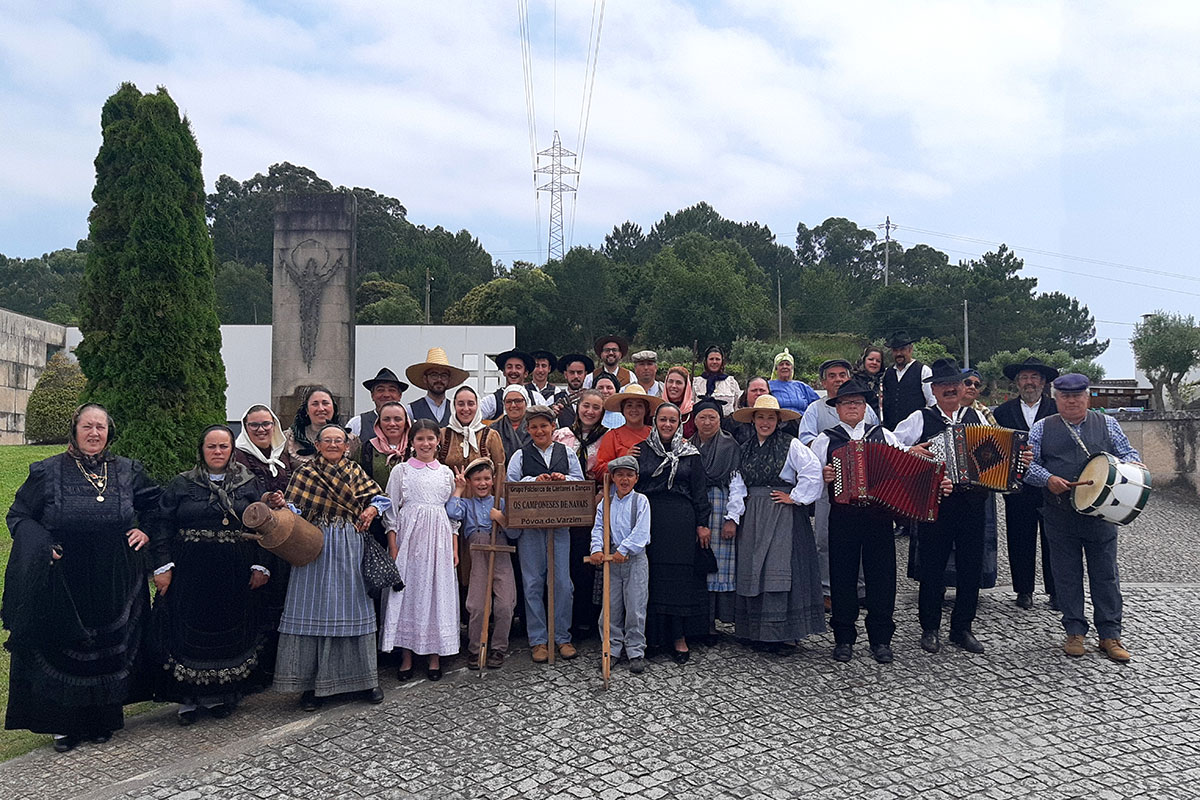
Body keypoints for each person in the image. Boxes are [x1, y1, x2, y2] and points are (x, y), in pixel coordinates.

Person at [4, 404, 161, 753]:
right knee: (66, 648)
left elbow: (156, 505)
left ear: (109, 432)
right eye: (87, 426)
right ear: (75, 430)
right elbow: (18, 516)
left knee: (107, 647)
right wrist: (44, 545)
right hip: (63, 576)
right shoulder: (46, 471)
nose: (94, 433)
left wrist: (145, 531)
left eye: (100, 427)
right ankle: (64, 726)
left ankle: (103, 720)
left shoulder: (126, 470)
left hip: (114, 575)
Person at [153, 425, 270, 725]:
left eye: (223, 446)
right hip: (191, 570)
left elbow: (262, 525)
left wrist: (260, 564)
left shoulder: (248, 482)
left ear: (232, 449)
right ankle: (188, 700)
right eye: (211, 447)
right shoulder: (181, 484)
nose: (217, 452)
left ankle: (223, 695)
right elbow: (162, 525)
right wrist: (163, 566)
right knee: (190, 630)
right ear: (201, 450)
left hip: (234, 568)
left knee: (227, 629)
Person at [1025, 373, 1142, 662]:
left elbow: (1127, 453)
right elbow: (1028, 467)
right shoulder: (1041, 428)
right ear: (1056, 398)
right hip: (1059, 512)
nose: (1072, 400)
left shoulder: (1108, 424)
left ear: (1087, 397)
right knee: (1066, 574)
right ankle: (1074, 630)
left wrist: (1134, 465)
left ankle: (1110, 635)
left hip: (1101, 513)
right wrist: (1048, 478)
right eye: (1065, 396)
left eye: (1078, 395)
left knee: (1105, 575)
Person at [274, 424, 389, 711]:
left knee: (353, 607)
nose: (334, 445)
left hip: (350, 543)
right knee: (313, 608)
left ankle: (364, 680)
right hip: (314, 543)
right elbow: (293, 509)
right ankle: (311, 685)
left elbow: (378, 498)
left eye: (339, 440)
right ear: (318, 444)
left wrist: (372, 509)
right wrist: (285, 507)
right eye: (328, 440)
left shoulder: (354, 472)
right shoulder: (306, 473)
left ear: (347, 446)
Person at [893, 358, 990, 654]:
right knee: (932, 567)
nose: (949, 389)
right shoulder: (920, 418)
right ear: (933, 390)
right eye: (942, 385)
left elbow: (993, 454)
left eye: (954, 384)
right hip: (935, 503)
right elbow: (890, 446)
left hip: (973, 503)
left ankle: (962, 627)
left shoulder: (978, 419)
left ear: (963, 388)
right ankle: (930, 628)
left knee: (970, 567)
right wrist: (911, 452)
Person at [811, 381, 911, 664]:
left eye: (857, 402)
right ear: (838, 409)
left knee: (882, 578)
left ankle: (881, 639)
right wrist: (825, 476)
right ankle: (843, 638)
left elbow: (902, 471)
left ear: (865, 407)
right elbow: (810, 481)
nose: (852, 407)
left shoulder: (885, 436)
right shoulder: (825, 440)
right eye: (846, 403)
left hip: (879, 518)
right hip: (843, 517)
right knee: (842, 577)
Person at [723, 395, 826, 650]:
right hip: (752, 514)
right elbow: (737, 484)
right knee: (752, 568)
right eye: (761, 417)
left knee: (780, 570)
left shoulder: (790, 445)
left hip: (782, 513)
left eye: (770, 417)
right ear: (753, 420)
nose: (765, 422)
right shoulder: (744, 447)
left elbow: (812, 470)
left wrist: (795, 497)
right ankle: (754, 630)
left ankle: (783, 633)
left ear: (778, 421)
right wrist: (733, 517)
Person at [380, 419, 459, 681]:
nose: (425, 444)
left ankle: (434, 656)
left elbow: (451, 515)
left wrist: (454, 547)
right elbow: (390, 509)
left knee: (436, 592)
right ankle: (406, 656)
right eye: (420, 439)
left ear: (438, 441)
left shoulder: (446, 473)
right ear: (411, 443)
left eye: (430, 439)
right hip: (409, 539)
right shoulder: (401, 471)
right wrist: (393, 545)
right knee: (409, 593)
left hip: (439, 541)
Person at [798, 359, 881, 607]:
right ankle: (827, 590)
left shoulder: (868, 412)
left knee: (865, 539)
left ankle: (862, 588)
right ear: (824, 382)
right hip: (829, 485)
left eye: (842, 375)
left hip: (866, 487)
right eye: (831, 376)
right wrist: (831, 459)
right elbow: (805, 440)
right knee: (824, 538)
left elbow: (879, 440)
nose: (837, 379)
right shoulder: (814, 409)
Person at [506, 406, 585, 662]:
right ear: (528, 430)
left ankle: (562, 636)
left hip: (560, 525)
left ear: (553, 427)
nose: (540, 431)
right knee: (532, 583)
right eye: (535, 427)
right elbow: (510, 486)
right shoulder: (520, 455)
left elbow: (580, 482)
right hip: (530, 527)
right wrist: (533, 481)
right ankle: (538, 639)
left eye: (544, 426)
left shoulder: (568, 453)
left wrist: (564, 479)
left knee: (562, 582)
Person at [637, 403, 710, 664]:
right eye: (663, 420)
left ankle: (679, 636)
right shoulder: (642, 451)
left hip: (681, 519)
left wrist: (703, 523)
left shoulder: (691, 453)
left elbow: (700, 491)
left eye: (672, 420)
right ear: (655, 422)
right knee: (653, 576)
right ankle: (654, 637)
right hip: (651, 518)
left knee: (679, 578)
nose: (667, 425)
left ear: (679, 424)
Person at [231, 404, 293, 688]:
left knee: (280, 601)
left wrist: (284, 500)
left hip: (282, 538)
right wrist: (265, 498)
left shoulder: (282, 455)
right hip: (252, 541)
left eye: (266, 424)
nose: (261, 430)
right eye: (254, 425)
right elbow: (240, 496)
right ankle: (253, 671)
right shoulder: (238, 457)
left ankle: (275, 666)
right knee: (256, 603)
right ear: (245, 427)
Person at [992, 356, 1059, 610]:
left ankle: (1056, 591)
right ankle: (1024, 590)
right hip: (1017, 487)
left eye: (1033, 377)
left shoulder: (1056, 409)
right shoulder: (1002, 412)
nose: (1029, 382)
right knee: (1019, 539)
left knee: (1054, 540)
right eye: (1023, 378)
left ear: (1042, 382)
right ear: (1017, 383)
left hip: (1051, 485)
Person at [447, 457, 514, 670]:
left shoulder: (501, 503)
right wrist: (458, 489)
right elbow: (452, 512)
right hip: (477, 552)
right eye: (477, 479)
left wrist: (502, 518)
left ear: (493, 480)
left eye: (486, 478)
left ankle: (498, 648)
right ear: (470, 481)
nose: (483, 483)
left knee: (505, 603)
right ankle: (476, 648)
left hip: (501, 550)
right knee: (476, 604)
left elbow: (515, 532)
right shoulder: (467, 504)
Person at [553, 388, 610, 636]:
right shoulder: (561, 435)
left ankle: (586, 619)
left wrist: (599, 496)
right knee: (564, 563)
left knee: (588, 564)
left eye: (596, 408)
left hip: (594, 507)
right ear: (578, 407)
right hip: (563, 507)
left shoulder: (606, 438)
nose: (590, 411)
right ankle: (562, 620)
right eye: (586, 405)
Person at [589, 455, 652, 674]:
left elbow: (642, 531)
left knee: (635, 607)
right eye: (620, 475)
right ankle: (611, 649)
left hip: (634, 560)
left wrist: (624, 549)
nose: (624, 479)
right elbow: (598, 527)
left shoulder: (641, 501)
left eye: (629, 475)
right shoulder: (606, 503)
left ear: (636, 478)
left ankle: (635, 650)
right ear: (613, 478)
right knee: (610, 608)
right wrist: (596, 549)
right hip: (611, 560)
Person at [689, 397, 740, 634]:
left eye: (713, 417)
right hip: (694, 506)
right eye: (702, 417)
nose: (707, 422)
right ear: (694, 420)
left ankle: (721, 618)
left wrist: (732, 517)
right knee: (697, 560)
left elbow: (737, 483)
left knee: (720, 564)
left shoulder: (730, 447)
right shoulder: (687, 446)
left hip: (722, 505)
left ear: (720, 420)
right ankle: (702, 621)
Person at [959, 368, 999, 592]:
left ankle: (975, 581)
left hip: (978, 482)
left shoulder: (984, 413)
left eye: (977, 384)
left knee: (976, 538)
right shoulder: (937, 411)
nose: (972, 387)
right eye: (968, 382)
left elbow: (997, 441)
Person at [593, 384, 664, 479]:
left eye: (639, 405)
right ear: (623, 410)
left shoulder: (656, 434)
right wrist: (622, 460)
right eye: (629, 405)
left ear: (646, 410)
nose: (634, 409)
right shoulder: (612, 436)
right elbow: (599, 472)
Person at [284, 386, 359, 465]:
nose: (321, 409)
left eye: (325, 403)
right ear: (307, 410)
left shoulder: (351, 440)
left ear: (334, 408)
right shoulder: (289, 439)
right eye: (315, 404)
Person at [881, 331, 934, 430]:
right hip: (891, 431)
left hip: (916, 430)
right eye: (895, 350)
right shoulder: (888, 372)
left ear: (910, 349)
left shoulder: (923, 371)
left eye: (902, 349)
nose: (899, 353)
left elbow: (932, 402)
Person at [406, 347, 469, 426]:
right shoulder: (411, 410)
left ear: (449, 379)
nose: (439, 380)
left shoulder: (456, 409)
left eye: (444, 376)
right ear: (425, 379)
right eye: (434, 375)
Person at [357, 400, 411, 488]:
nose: (392, 424)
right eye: (386, 419)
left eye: (398, 419)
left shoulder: (415, 447)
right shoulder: (367, 448)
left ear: (406, 423)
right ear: (379, 423)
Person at [480, 350, 547, 420]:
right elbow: (474, 423)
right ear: (504, 372)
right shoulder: (491, 401)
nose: (513, 371)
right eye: (509, 367)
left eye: (518, 367)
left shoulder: (537, 399)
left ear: (526, 373)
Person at [347, 368, 409, 437]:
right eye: (380, 390)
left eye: (392, 390)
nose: (386, 395)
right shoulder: (357, 423)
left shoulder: (411, 424)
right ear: (372, 395)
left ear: (399, 395)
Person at [489, 385, 532, 467]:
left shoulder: (536, 426)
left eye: (518, 401)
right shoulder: (494, 429)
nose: (513, 405)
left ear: (526, 403)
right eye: (508, 401)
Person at [769, 348, 820, 416]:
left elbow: (818, 405)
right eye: (781, 364)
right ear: (776, 368)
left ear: (792, 368)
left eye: (787, 364)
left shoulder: (802, 386)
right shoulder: (768, 386)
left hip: (802, 423)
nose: (784, 367)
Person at [723, 376, 772, 444]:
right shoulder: (733, 421)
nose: (758, 393)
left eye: (762, 390)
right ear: (746, 393)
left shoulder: (779, 422)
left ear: (769, 393)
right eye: (754, 390)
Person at [550, 352, 594, 427]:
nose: (576, 376)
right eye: (572, 372)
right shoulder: (554, 399)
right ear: (565, 374)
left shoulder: (593, 398)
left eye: (579, 372)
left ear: (585, 374)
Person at [693, 345, 740, 414]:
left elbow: (737, 407)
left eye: (717, 359)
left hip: (727, 423)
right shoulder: (696, 383)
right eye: (711, 359)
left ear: (722, 362)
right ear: (706, 361)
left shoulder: (731, 382)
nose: (714, 362)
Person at [663, 366, 697, 439]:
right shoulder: (656, 409)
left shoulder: (693, 412)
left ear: (686, 386)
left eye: (678, 383)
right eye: (670, 381)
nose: (673, 386)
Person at [853, 346, 885, 418]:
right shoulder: (854, 381)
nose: (874, 363)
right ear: (864, 360)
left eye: (878, 361)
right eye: (871, 359)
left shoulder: (885, 381)